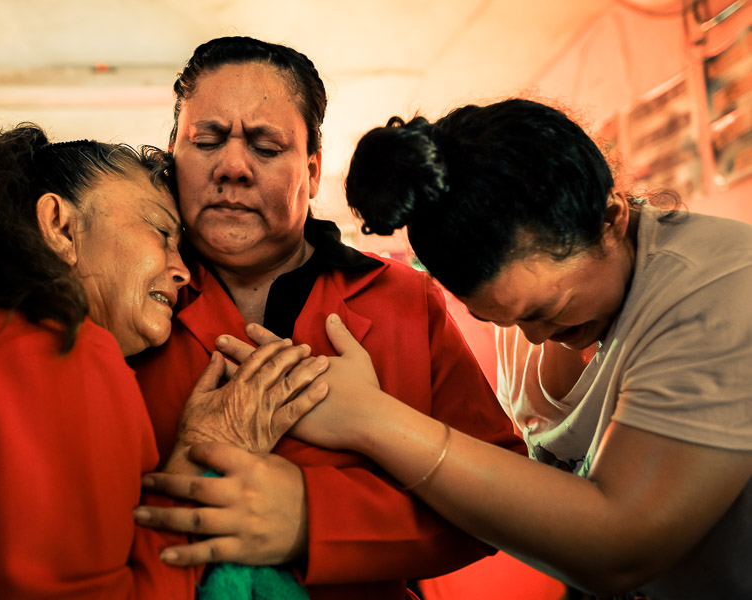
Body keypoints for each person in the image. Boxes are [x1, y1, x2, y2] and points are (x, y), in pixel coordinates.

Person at [218, 99, 752, 599]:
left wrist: (372, 421)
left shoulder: (723, 289)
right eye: (499, 318)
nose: (535, 338)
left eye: (545, 311)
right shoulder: (529, 305)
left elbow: (621, 549)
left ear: (611, 220)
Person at [0, 124, 328, 599]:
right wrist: (204, 450)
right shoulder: (47, 349)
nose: (181, 270)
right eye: (161, 231)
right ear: (60, 227)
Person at [129, 36, 526, 599]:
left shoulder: (404, 300)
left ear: (312, 172)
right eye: (207, 140)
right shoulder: (124, 302)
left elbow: (504, 506)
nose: (233, 167)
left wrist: (316, 521)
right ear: (172, 156)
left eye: (266, 147)